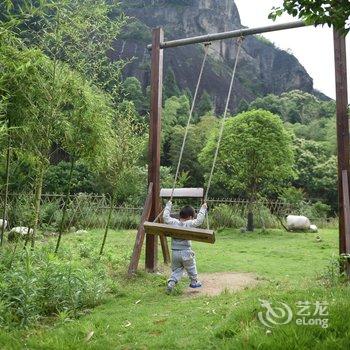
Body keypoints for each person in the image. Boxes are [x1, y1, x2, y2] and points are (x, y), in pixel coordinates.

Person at [163, 200, 208, 294]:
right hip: (186, 252)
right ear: (191, 217)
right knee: (191, 267)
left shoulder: (173, 222)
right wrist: (203, 208)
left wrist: (168, 205)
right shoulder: (189, 224)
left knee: (177, 270)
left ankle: (171, 283)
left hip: (175, 252)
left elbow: (165, 217)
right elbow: (199, 221)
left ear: (180, 215)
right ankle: (194, 282)